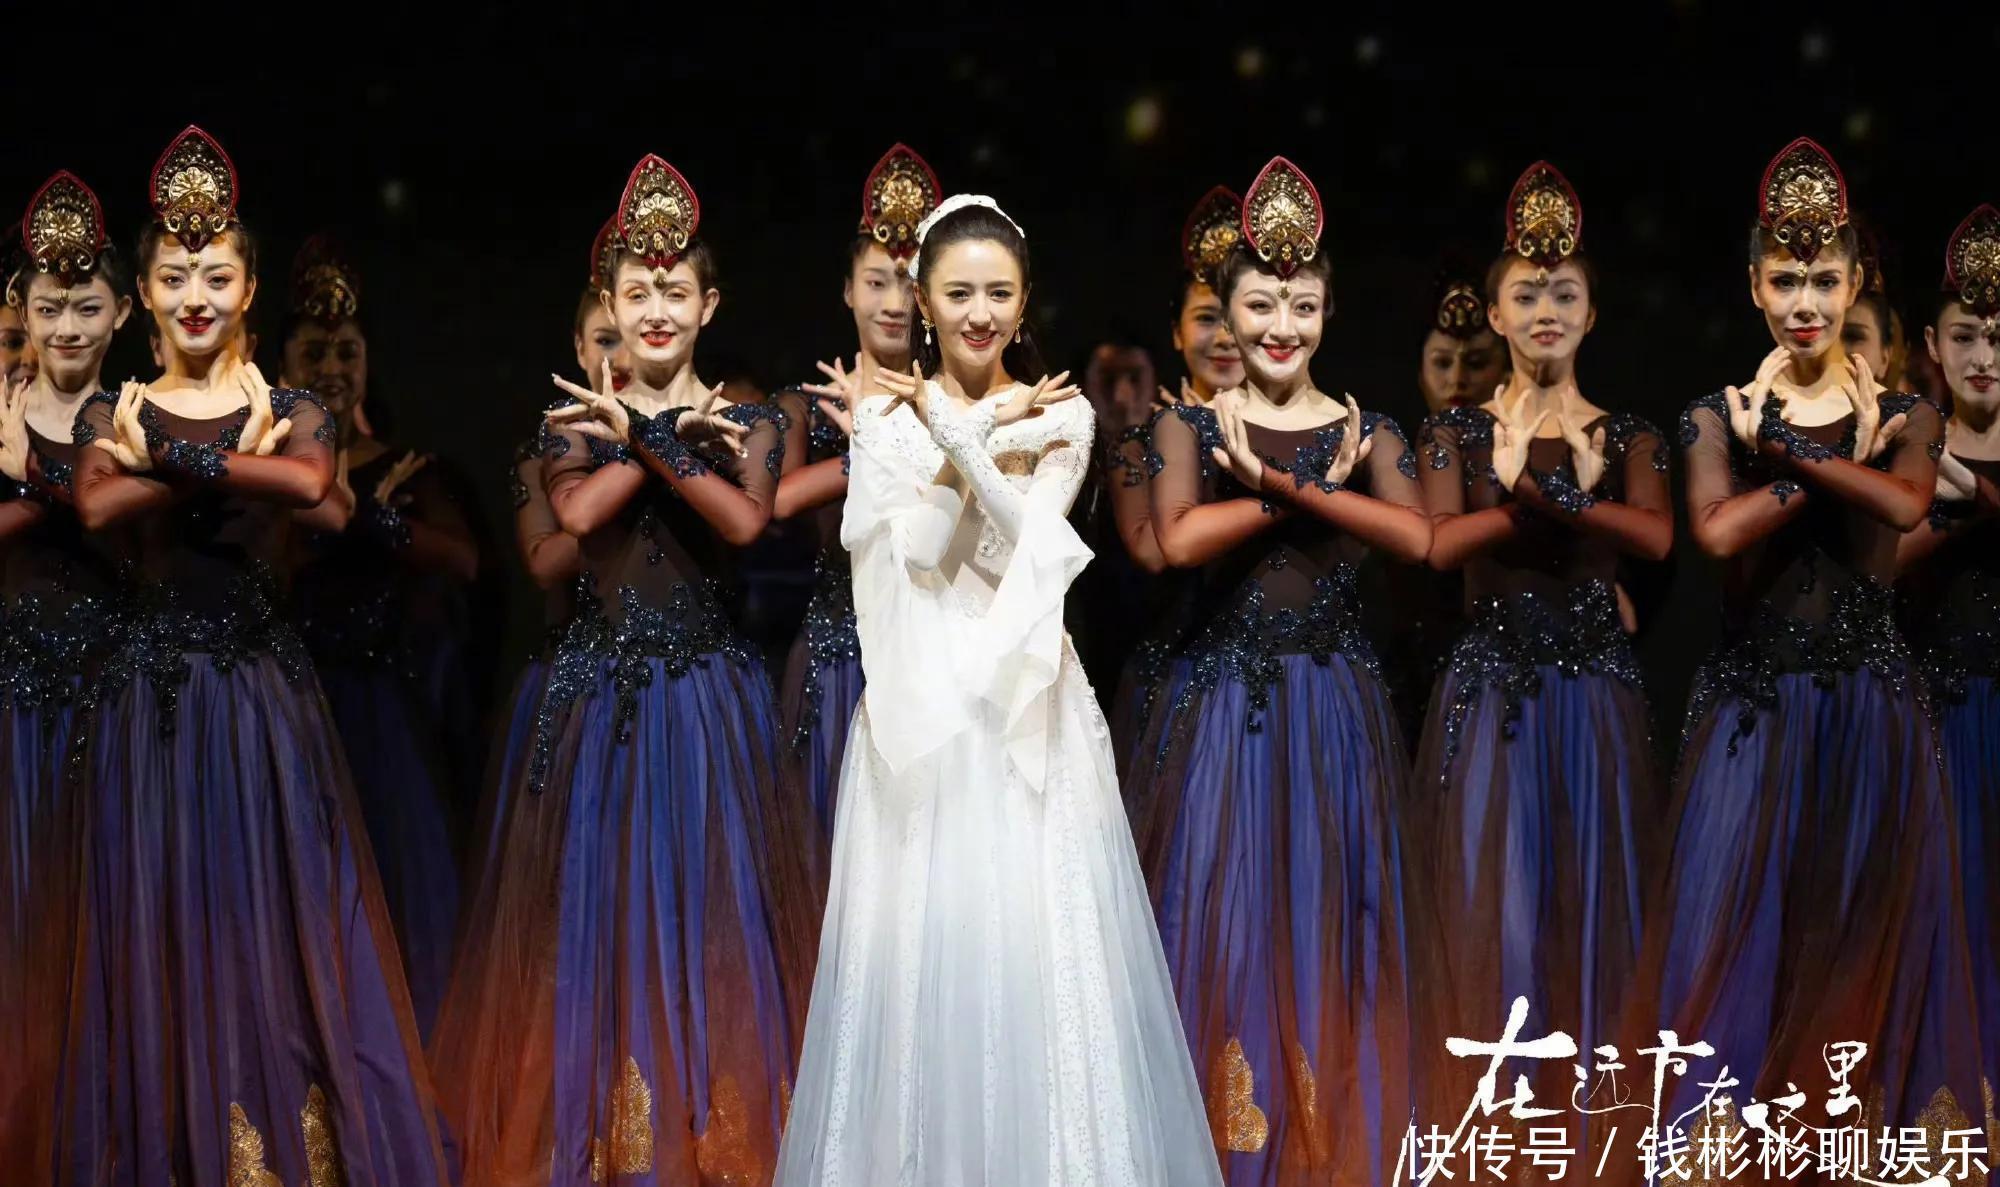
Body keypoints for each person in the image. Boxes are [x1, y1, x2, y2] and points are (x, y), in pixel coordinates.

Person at [775, 194, 1219, 1184]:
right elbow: (919, 553)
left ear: (1024, 303)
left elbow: (1034, 547)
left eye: (999, 293)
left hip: (1026, 701)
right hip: (922, 709)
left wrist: (963, 434)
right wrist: (967, 430)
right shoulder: (881, 418)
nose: (979, 312)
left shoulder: (1062, 410)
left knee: (1038, 955)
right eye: (958, 292)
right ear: (923, 300)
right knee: (917, 961)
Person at [53, 124, 448, 1186]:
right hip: (152, 700)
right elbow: (96, 502)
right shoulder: (110, 406)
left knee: (274, 924)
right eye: (175, 277)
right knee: (158, 923)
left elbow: (314, 486)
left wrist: (169, 458)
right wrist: (234, 459)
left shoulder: (295, 404)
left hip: (260, 699)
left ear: (250, 288)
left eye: (217, 276)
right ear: (142, 292)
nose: (197, 296)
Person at [430, 154, 817, 1185]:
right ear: (607, 301)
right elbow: (573, 514)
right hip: (601, 704)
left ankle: (712, 1142)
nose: (655, 310)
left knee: (712, 922)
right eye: (636, 292)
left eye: (674, 292)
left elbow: (744, 522)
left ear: (708, 305)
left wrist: (654, 441)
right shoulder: (568, 426)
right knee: (597, 925)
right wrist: (654, 439)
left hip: (709, 701)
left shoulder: (749, 423)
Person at [1630, 136, 1982, 1165]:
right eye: (1784, 280)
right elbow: (1717, 531)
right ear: (1752, 286)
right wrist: (1812, 455)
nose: (1804, 302)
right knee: (1737, 953)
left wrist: (1784, 451)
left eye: (1823, 280)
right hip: (1751, 715)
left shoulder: (1909, 415)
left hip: (1871, 713)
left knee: (1861, 950)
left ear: (1855, 283)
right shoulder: (1714, 416)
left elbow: (1905, 503)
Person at [1134, 158, 1428, 1184]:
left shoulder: (1369, 429)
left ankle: (1331, 1146)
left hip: (1333, 709)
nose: (1280, 326)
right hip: (1226, 710)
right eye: (1260, 304)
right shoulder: (1184, 425)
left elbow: (1417, 538)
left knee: (1332, 927)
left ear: (1327, 310)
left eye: (1301, 306)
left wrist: (1281, 480)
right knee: (1225, 927)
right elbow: (1177, 539)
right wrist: (1281, 487)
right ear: (1225, 311)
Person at [1408, 163, 1670, 1159]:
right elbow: (1439, 544)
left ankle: (1594, 1143)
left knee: (1595, 915)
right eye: (1525, 294)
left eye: (1563, 293)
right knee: (1498, 919)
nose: (1545, 310)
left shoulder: (1627, 435)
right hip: (1492, 697)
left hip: (1593, 697)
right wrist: (1528, 489)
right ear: (1495, 313)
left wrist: (1549, 493)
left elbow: (1655, 538)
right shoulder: (1454, 431)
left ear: (1591, 312)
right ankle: (1498, 1143)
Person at [283, 235, 473, 1037]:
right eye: (315, 351)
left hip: (378, 714)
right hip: (289, 705)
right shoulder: (262, 462)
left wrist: (370, 515)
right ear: (282, 360)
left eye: (348, 351)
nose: (332, 366)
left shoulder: (406, 467)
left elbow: (464, 560)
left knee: (389, 899)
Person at [0, 170, 129, 1174]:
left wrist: (32, 474)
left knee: (101, 930)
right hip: (11, 698)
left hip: (112, 696)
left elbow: (135, 531)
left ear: (122, 311)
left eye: (87, 305)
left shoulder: (137, 414)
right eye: (50, 307)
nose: (68, 326)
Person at [772, 143, 939, 835]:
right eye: (876, 282)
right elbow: (778, 499)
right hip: (842, 650)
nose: (894, 303)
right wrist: (872, 445)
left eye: (909, 284)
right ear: (847, 290)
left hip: (937, 645)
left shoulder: (952, 404)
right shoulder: (807, 405)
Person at [1896, 201, 2000, 1136]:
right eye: (1965, 335)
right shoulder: (1910, 444)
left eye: (1998, 338)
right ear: (1932, 344)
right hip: (1939, 719)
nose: (1983, 357)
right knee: (1950, 929)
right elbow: (1870, 567)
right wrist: (1953, 510)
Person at [1100, 185, 1243, 778]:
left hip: (1283, 675)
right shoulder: (1141, 444)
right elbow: (1157, 554)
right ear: (1178, 333)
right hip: (1176, 681)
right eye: (1207, 318)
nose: (1226, 336)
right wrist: (1187, 443)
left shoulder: (1302, 436)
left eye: (1240, 315)